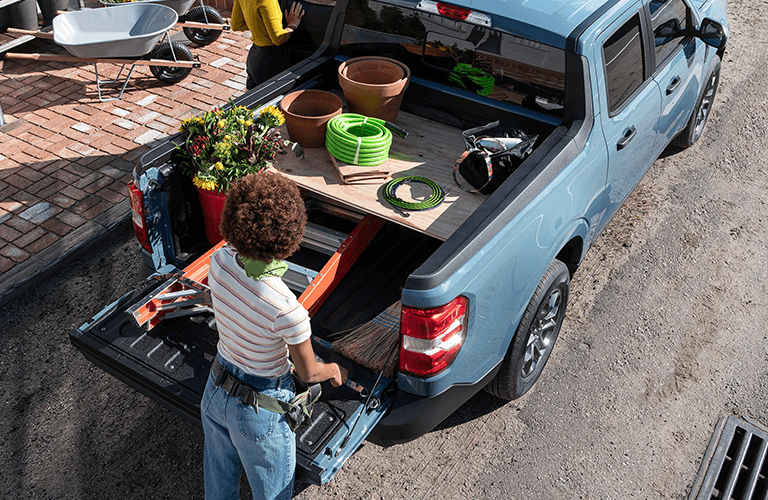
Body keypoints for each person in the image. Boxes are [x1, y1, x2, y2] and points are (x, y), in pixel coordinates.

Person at [201, 172, 347, 500]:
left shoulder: (219, 260)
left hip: (215, 388)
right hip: (259, 412)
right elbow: (309, 373)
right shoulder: (286, 308)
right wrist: (335, 371)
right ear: (289, 236)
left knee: (219, 491)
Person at [231, 0, 305, 90]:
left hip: (254, 56)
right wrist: (292, 24)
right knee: (269, 98)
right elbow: (278, 39)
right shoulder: (268, 1)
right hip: (271, 60)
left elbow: (236, 25)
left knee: (251, 97)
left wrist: (259, 26)